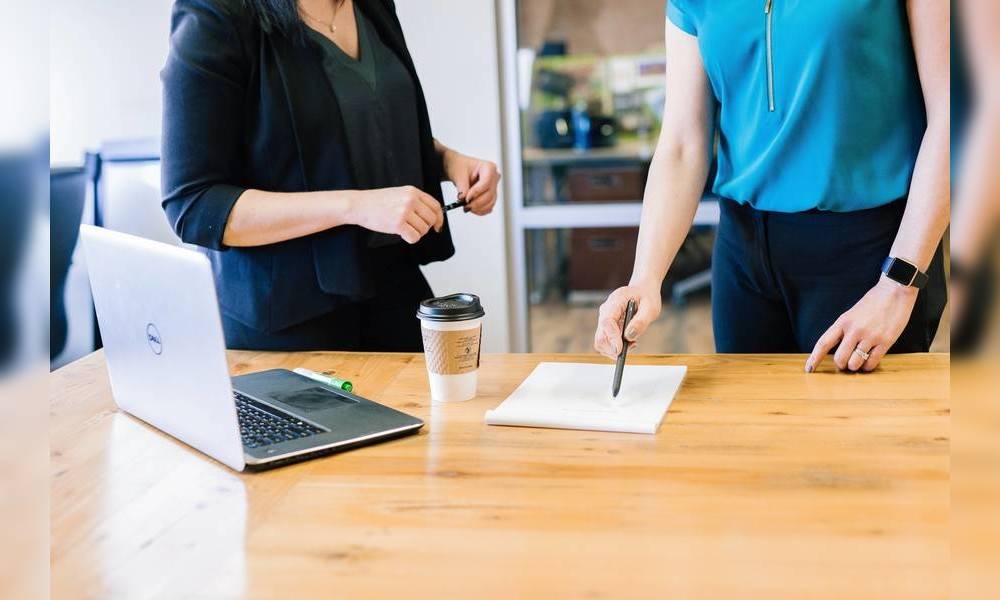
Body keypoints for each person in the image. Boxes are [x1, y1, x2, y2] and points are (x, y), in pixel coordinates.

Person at [594, 1, 949, 373]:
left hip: (870, 252)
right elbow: (683, 143)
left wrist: (899, 285)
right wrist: (644, 279)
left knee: (861, 429)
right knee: (750, 427)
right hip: (743, 256)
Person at [161, 0, 500, 352]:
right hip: (289, 320)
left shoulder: (372, 6)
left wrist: (447, 161)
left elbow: (350, 126)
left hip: (393, 290)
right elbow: (194, 204)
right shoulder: (216, 15)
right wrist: (354, 205)